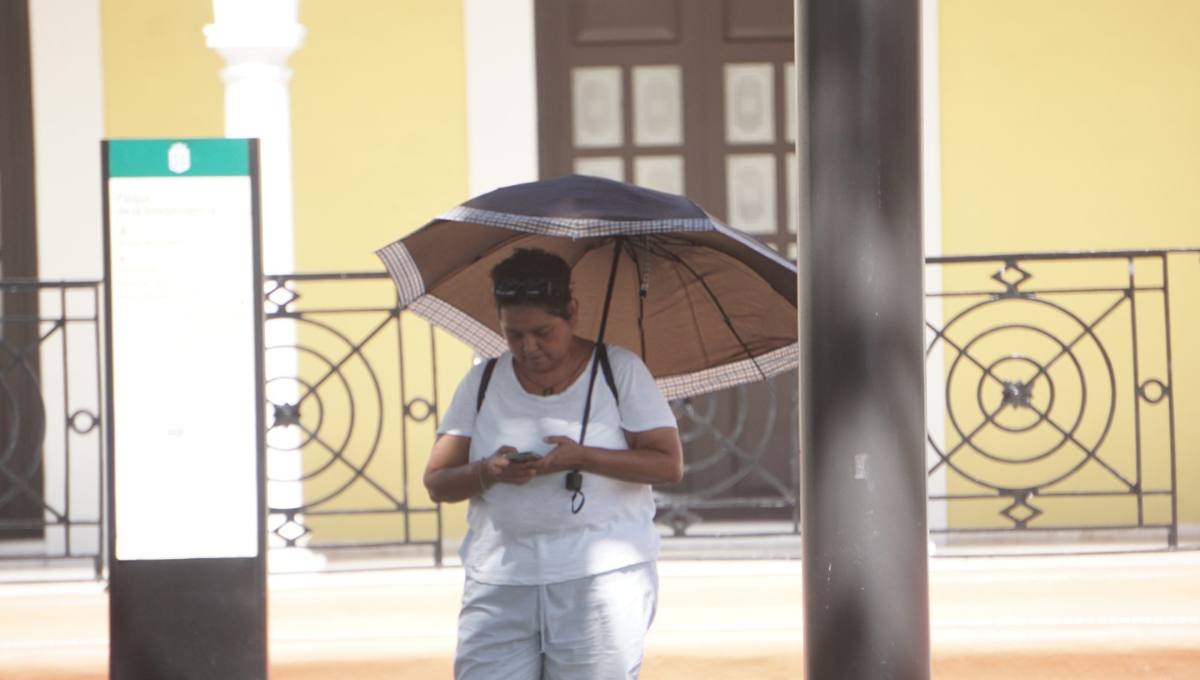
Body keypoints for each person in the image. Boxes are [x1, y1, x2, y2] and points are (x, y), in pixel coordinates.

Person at [425, 247, 684, 680]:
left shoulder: (619, 371)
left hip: (601, 583)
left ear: (573, 312)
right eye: (513, 334)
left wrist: (582, 456)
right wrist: (487, 472)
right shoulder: (482, 381)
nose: (528, 347)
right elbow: (437, 482)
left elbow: (667, 464)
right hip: (500, 582)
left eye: (543, 331)